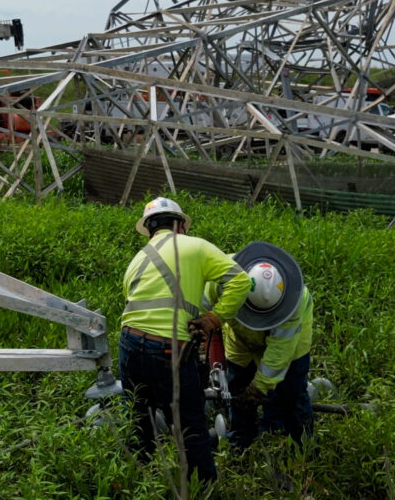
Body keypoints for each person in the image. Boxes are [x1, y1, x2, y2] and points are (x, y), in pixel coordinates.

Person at [119, 197, 251, 482]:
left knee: (137, 420)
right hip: (169, 350)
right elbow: (242, 281)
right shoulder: (197, 246)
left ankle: (139, 485)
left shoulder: (137, 259)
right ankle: (205, 494)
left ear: (150, 229)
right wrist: (214, 319)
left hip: (128, 343)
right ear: (180, 225)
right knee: (191, 425)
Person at [206, 241, 314, 452]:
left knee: (291, 393)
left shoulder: (294, 305)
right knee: (236, 388)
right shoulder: (222, 277)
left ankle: (301, 449)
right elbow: (200, 310)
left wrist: (257, 390)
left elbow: (277, 356)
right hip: (240, 338)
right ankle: (241, 441)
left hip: (292, 343)